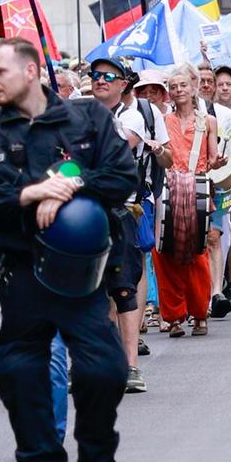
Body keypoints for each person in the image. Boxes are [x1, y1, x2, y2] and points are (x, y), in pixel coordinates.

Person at [0, 39, 135, 462]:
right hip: (21, 276)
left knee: (104, 371)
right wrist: (29, 193)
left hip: (83, 277)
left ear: (32, 71)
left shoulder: (86, 117)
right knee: (19, 375)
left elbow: (121, 176)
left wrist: (70, 181)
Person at [87, 56, 152, 395]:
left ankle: (131, 367)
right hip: (86, 212)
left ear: (123, 83)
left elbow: (111, 151)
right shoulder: (78, 113)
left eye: (108, 76)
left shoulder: (133, 116)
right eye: (95, 75)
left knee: (123, 289)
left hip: (121, 211)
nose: (100, 81)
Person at [154, 64, 221, 337]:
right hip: (169, 191)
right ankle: (174, 316)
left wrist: (220, 161)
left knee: (196, 255)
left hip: (197, 192)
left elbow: (214, 159)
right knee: (163, 254)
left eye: (182, 85)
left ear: (193, 88)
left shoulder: (208, 122)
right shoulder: (161, 120)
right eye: (173, 86)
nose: (178, 90)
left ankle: (199, 313)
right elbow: (160, 156)